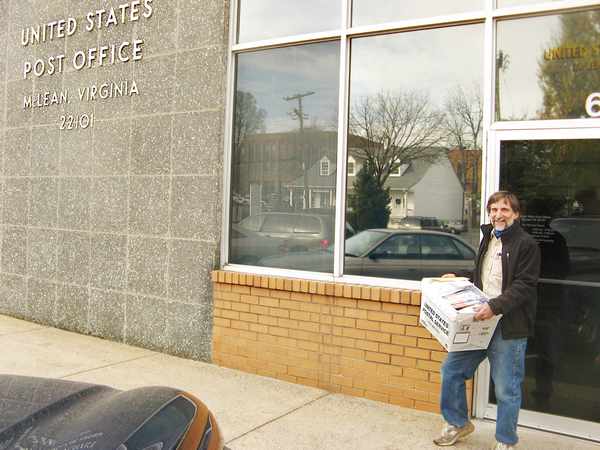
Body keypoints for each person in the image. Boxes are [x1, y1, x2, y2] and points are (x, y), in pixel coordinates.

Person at [433, 191, 541, 449]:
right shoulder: (488, 238)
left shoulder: (526, 245)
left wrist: (494, 307)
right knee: (452, 371)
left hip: (508, 325)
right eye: (493, 210)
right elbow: (484, 277)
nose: (497, 215)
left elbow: (524, 285)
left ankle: (505, 441)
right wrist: (458, 276)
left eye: (504, 210)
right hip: (480, 322)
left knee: (506, 389)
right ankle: (458, 423)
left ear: (516, 214)